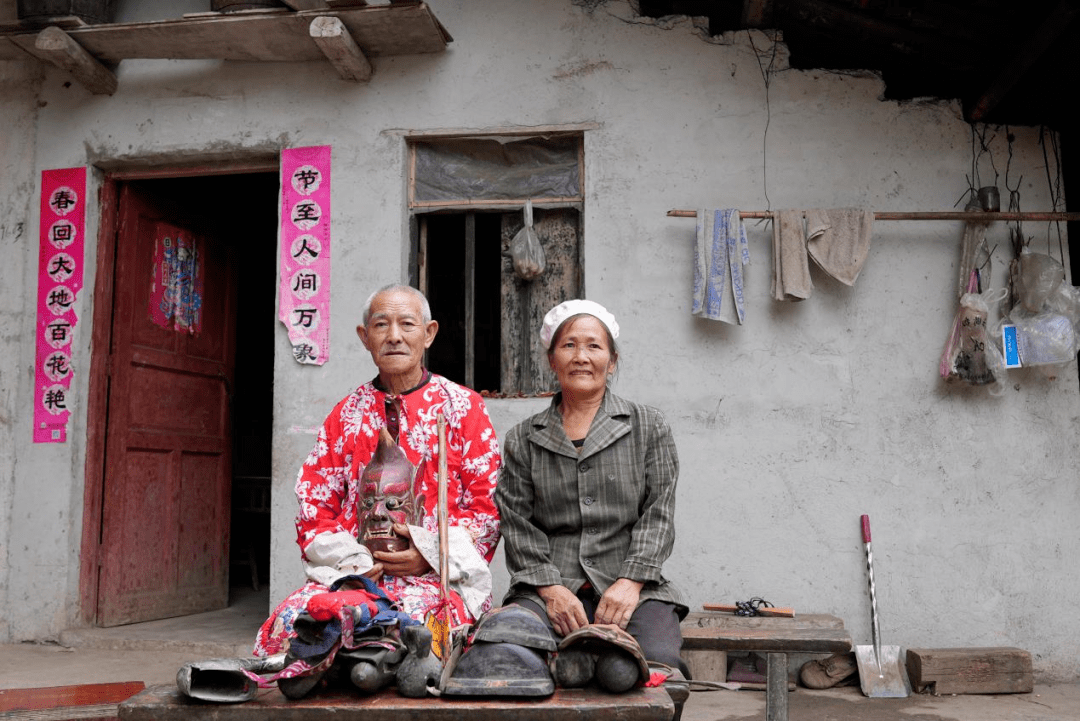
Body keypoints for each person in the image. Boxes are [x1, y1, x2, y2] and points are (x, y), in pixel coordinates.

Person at [254, 284, 502, 657]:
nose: (395, 336)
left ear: (429, 333)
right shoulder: (345, 415)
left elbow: (487, 507)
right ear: (365, 337)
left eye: (407, 324)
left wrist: (429, 553)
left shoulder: (463, 408)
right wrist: (354, 563)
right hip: (355, 577)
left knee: (413, 637)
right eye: (382, 325)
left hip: (436, 578)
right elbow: (313, 508)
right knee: (293, 624)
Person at [495, 299, 688, 677]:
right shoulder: (524, 438)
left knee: (652, 669)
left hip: (633, 584)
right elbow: (517, 524)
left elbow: (659, 514)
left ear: (611, 361)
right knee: (514, 657)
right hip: (549, 585)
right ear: (552, 360)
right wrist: (551, 591)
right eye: (569, 345)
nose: (581, 356)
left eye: (594, 346)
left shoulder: (648, 426)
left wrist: (630, 583)